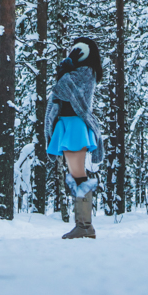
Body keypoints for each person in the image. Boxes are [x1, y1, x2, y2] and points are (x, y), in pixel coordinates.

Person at [45, 36, 104, 239]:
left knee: (79, 176)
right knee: (76, 174)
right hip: (67, 125)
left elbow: (64, 90)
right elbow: (60, 94)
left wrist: (65, 69)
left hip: (75, 126)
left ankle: (85, 225)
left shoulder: (87, 73)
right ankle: (83, 225)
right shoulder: (75, 72)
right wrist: (65, 69)